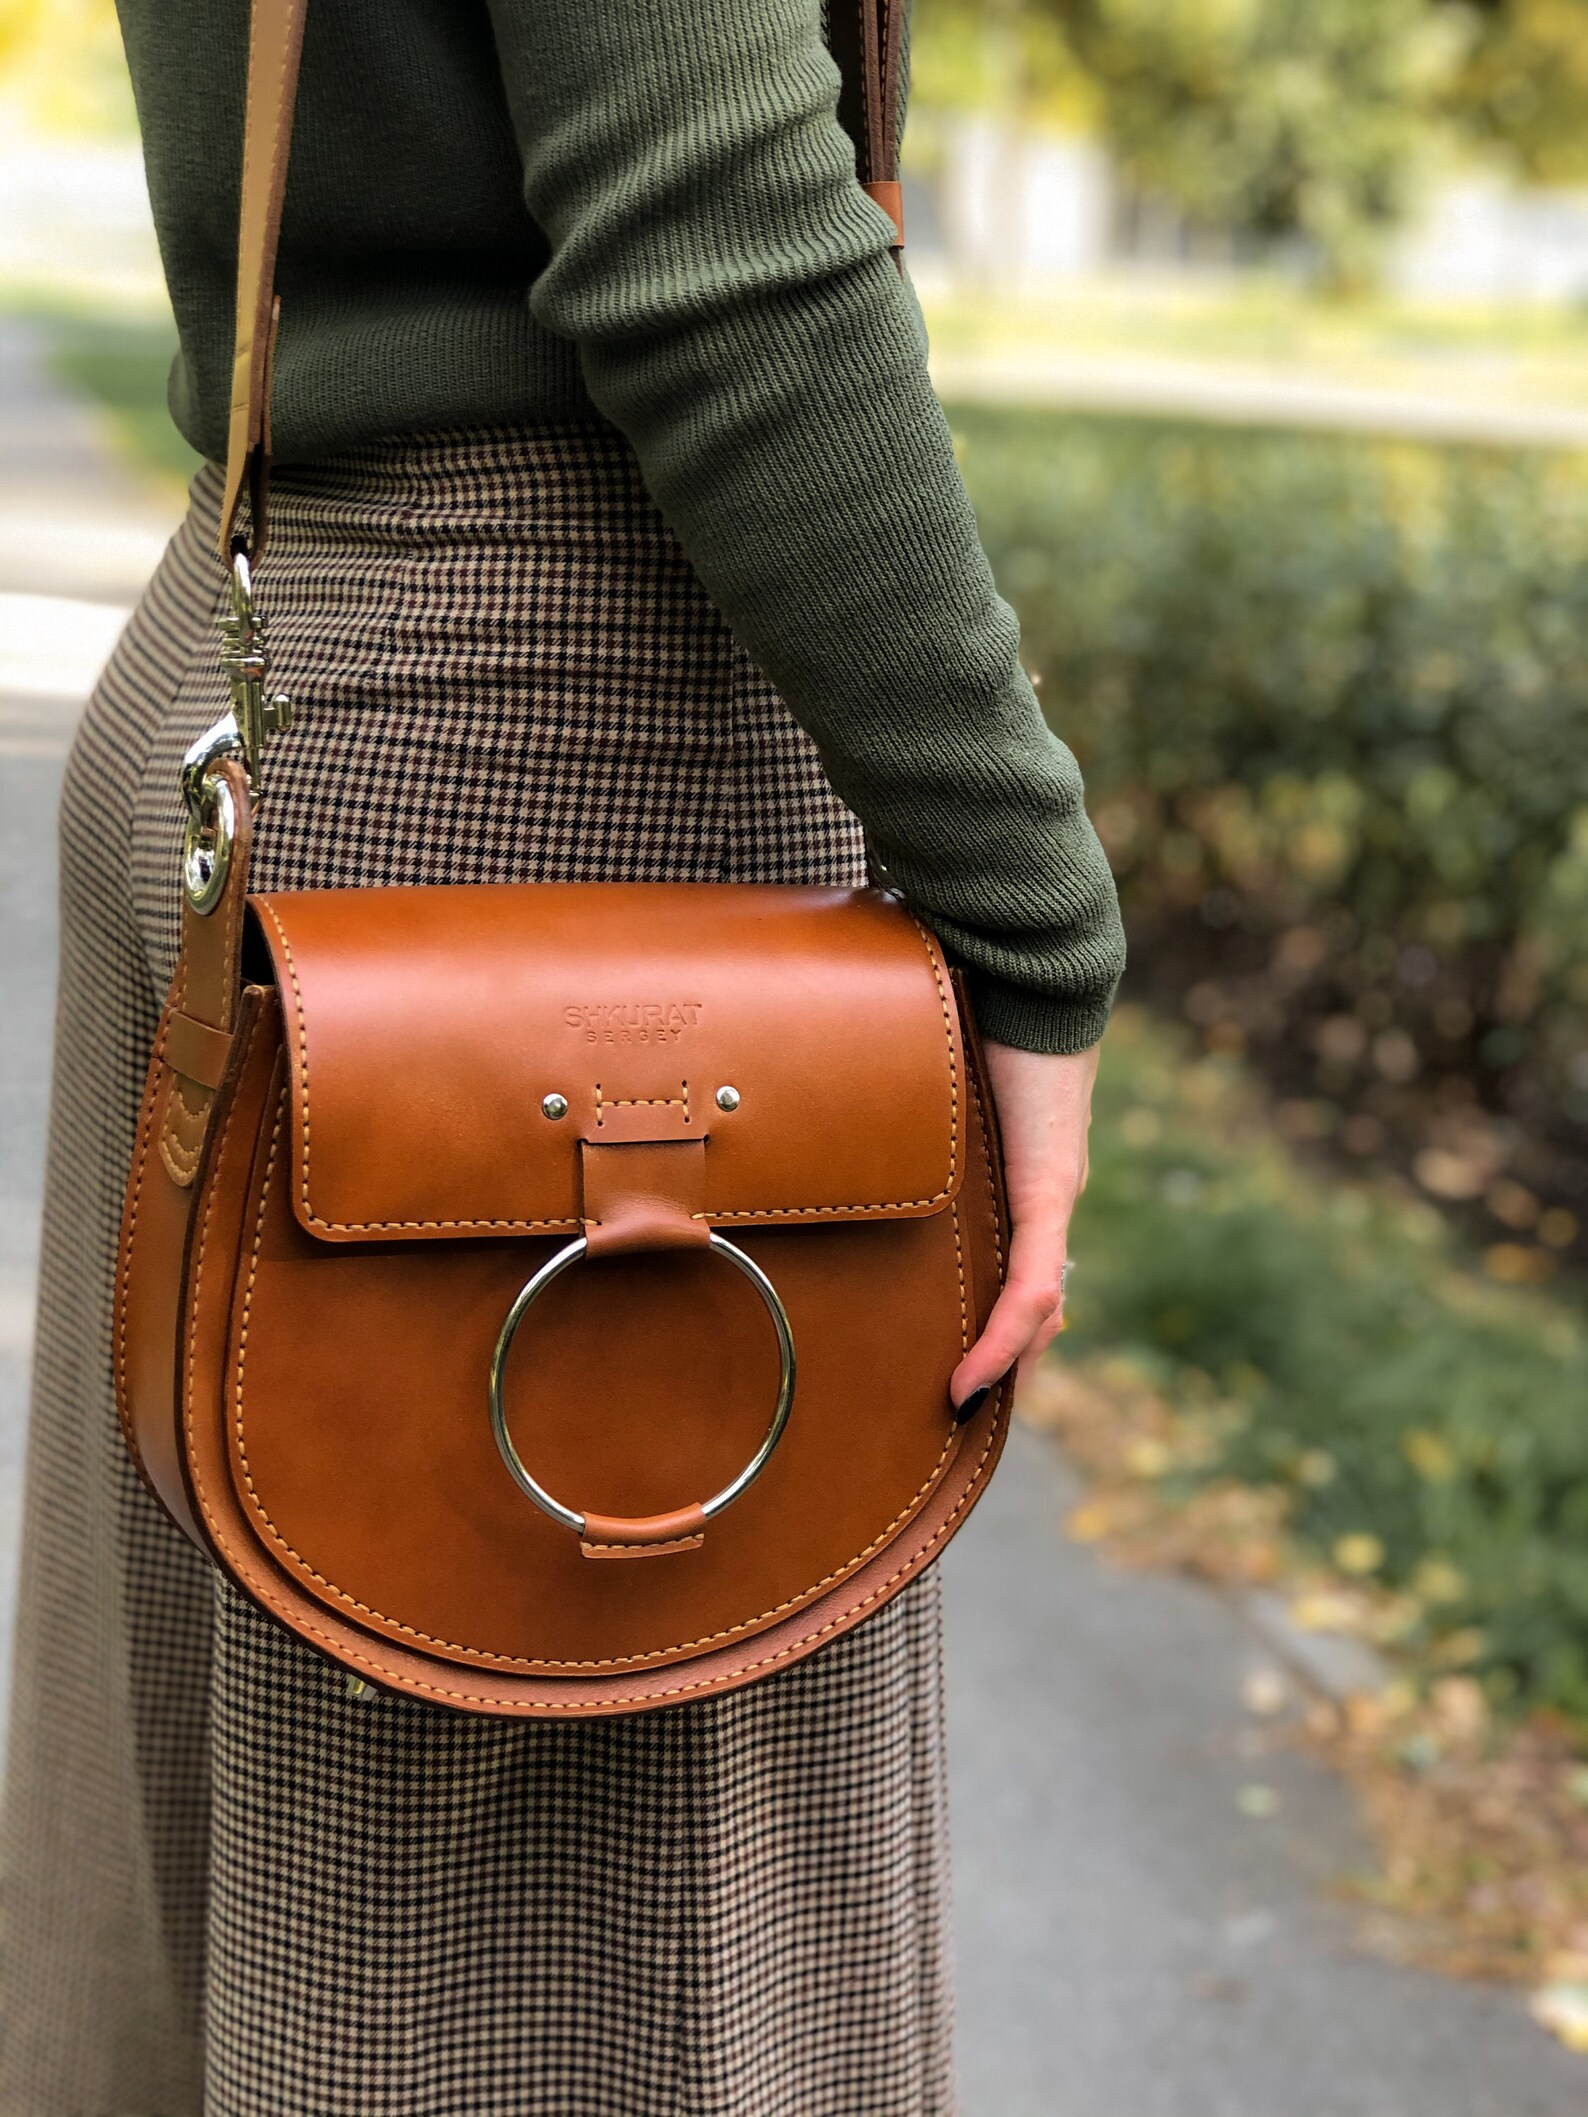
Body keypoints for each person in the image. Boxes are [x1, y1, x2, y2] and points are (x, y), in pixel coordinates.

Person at [0, 0, 1125, 2110]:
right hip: (563, 757)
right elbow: (706, 221)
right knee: (582, 2000)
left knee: (215, 1878)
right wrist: (1028, 912)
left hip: (279, 667)